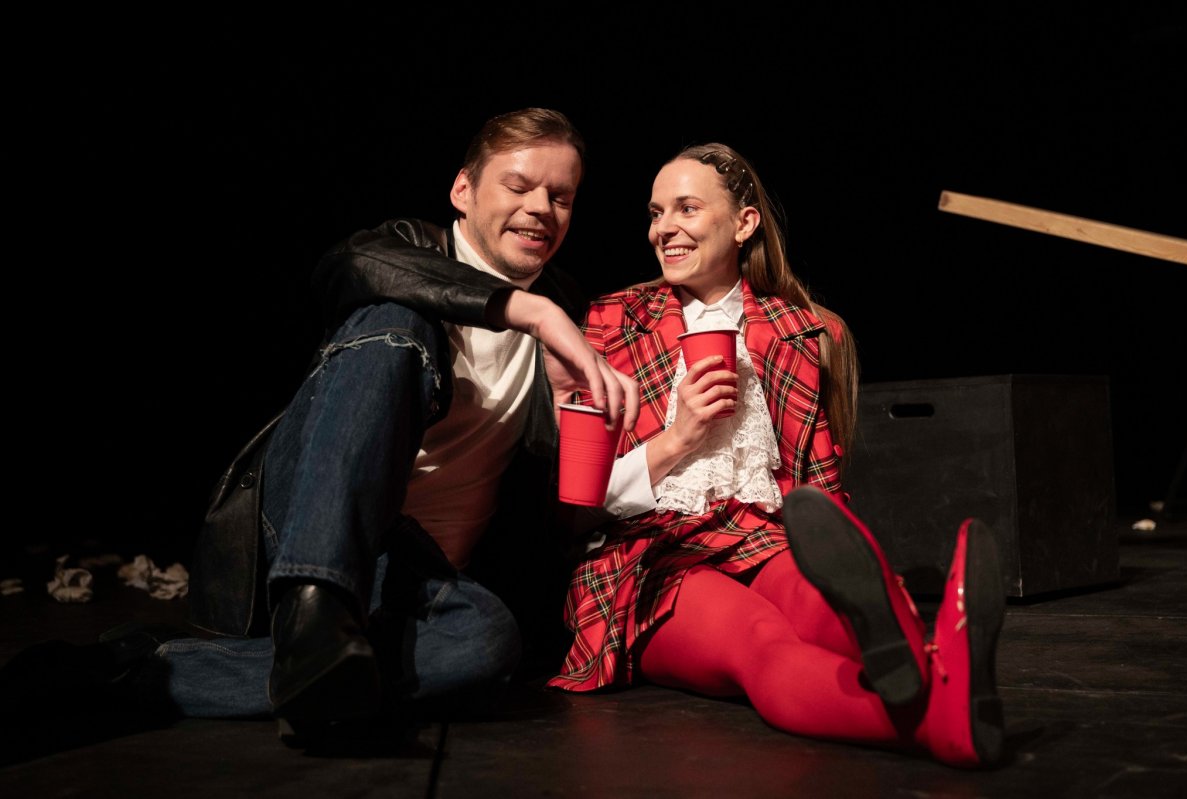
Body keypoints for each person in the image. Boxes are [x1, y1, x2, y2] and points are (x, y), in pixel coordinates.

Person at [0, 108, 639, 743]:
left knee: (485, 643)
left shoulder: (571, 310)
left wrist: (563, 404)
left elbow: (549, 510)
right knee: (396, 317)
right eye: (519, 186)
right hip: (307, 519)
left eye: (561, 197)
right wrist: (529, 311)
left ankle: (130, 671)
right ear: (463, 190)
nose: (540, 209)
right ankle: (318, 598)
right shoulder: (406, 248)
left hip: (413, 573)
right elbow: (350, 264)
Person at [546, 142, 1007, 769]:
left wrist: (843, 554)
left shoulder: (806, 331)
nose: (664, 228)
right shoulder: (610, 323)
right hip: (651, 557)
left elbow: (818, 491)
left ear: (744, 223)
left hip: (764, 539)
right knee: (762, 642)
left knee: (824, 608)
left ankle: (921, 661)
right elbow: (575, 502)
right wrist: (678, 437)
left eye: (687, 208)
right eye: (656, 212)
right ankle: (940, 704)